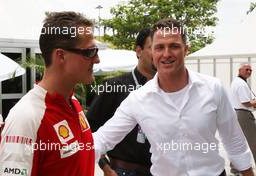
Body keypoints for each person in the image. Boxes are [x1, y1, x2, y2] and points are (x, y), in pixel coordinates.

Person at [93, 18, 255, 176]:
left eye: (174, 46)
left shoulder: (213, 88)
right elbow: (102, 139)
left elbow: (234, 140)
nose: (166, 54)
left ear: (186, 49)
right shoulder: (138, 99)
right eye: (159, 47)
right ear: (152, 52)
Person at [0, 11, 99, 176]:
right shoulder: (26, 117)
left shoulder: (72, 102)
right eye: (90, 52)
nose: (97, 59)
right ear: (61, 56)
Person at [87, 28, 155, 176]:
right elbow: (88, 130)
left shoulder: (168, 89)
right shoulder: (114, 86)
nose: (159, 53)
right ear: (139, 51)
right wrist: (106, 168)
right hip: (123, 170)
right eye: (153, 47)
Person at [230, 63, 256, 170]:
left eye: (250, 70)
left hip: (238, 114)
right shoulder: (241, 84)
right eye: (246, 69)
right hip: (244, 115)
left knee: (240, 143)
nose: (249, 72)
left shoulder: (238, 81)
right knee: (254, 141)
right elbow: (245, 102)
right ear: (240, 70)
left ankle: (234, 168)